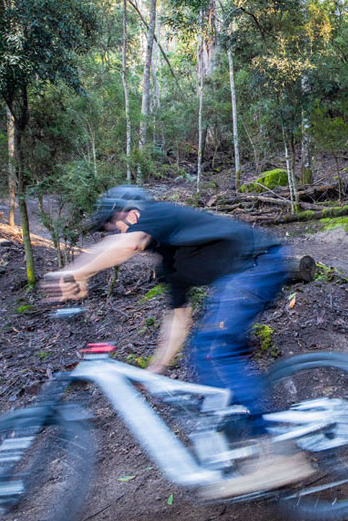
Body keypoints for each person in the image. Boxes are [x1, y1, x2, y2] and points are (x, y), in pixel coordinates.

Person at [39, 185, 314, 499]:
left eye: (111, 225)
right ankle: (245, 454)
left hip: (259, 263)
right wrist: (157, 368)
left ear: (131, 212)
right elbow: (178, 319)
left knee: (214, 348)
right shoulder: (171, 261)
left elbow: (127, 243)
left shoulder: (158, 214)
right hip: (247, 273)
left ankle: (276, 454)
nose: (111, 233)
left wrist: (77, 272)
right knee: (202, 354)